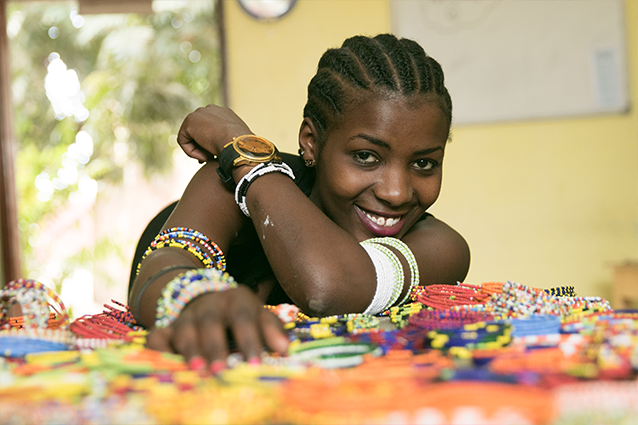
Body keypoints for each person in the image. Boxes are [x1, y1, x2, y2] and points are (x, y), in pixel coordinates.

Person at [128, 33, 470, 372]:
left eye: (424, 164)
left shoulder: (441, 246)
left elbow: (327, 287)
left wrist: (246, 153)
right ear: (311, 142)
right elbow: (162, 266)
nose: (396, 193)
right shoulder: (227, 185)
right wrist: (197, 297)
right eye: (366, 156)